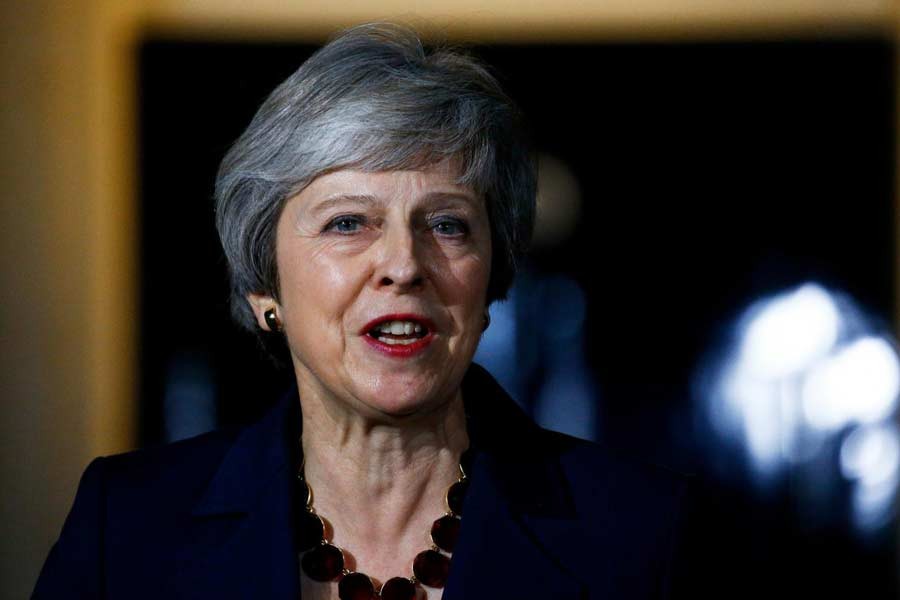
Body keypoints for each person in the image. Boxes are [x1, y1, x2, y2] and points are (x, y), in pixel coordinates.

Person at [33, 23, 693, 600]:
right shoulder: (126, 526)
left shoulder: (644, 534)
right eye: (348, 223)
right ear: (265, 287)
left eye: (447, 224)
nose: (403, 264)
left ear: (493, 279)